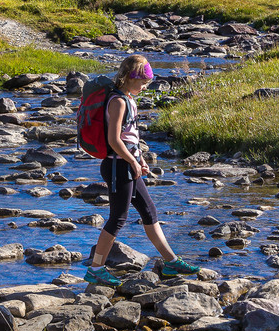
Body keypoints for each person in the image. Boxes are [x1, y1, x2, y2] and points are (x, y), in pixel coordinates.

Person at [84, 54, 197, 286]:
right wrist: (132, 162)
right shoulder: (118, 101)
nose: (145, 86)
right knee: (117, 219)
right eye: (143, 82)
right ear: (129, 77)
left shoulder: (129, 99)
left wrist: (140, 159)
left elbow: (131, 136)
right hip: (117, 166)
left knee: (149, 213)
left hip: (128, 164)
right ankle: (96, 269)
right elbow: (114, 140)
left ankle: (171, 262)